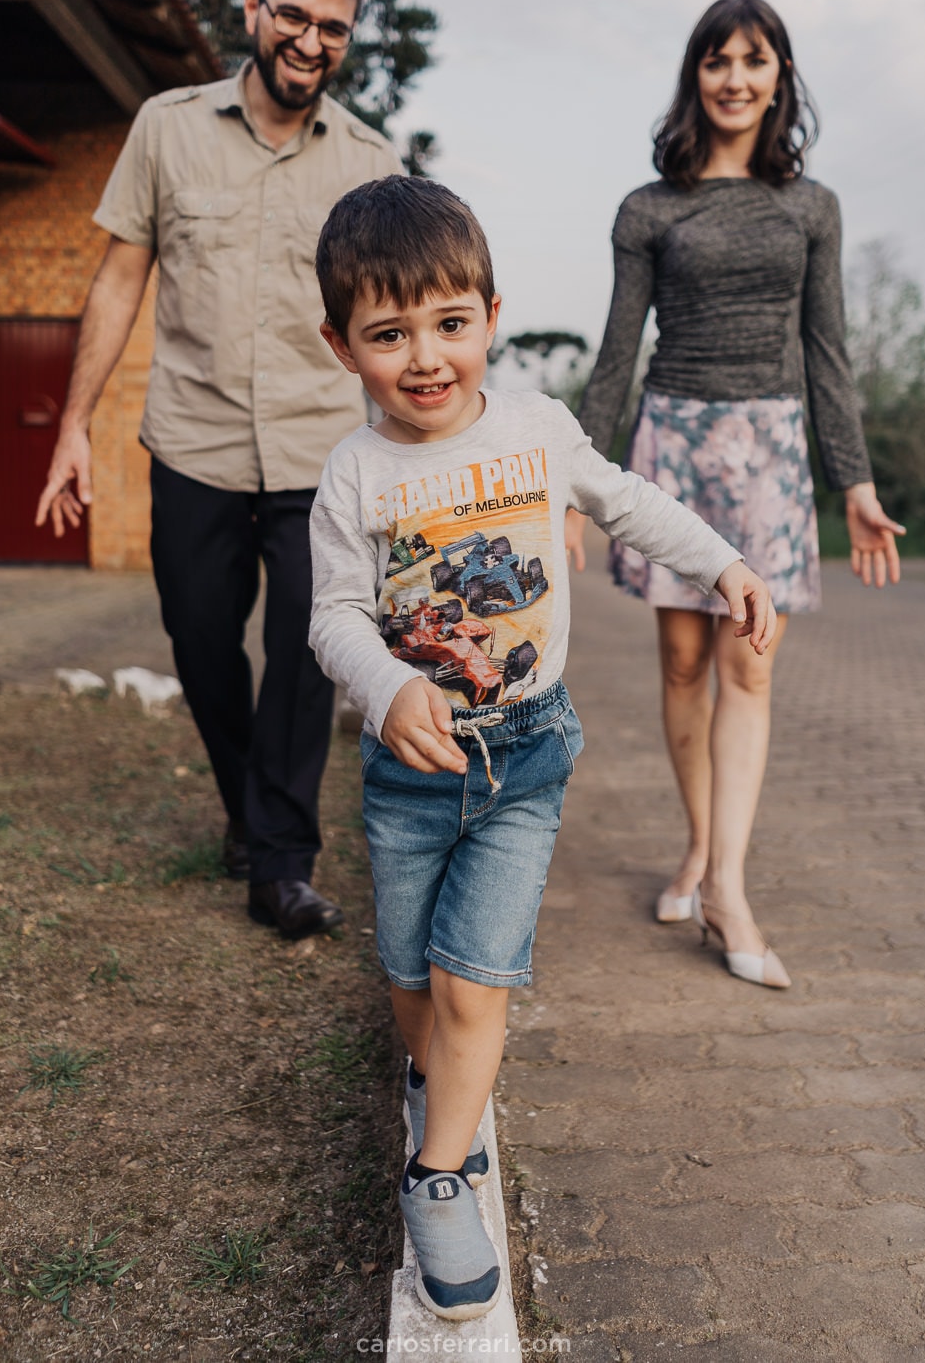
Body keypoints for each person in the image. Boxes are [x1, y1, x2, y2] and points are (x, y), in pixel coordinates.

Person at [307, 174, 776, 1320]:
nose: (425, 358)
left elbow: (629, 504)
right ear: (341, 345)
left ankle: (438, 1176)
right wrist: (384, 683)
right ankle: (436, 1096)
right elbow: (331, 619)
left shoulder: (534, 433)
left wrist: (721, 562)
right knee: (414, 981)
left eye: (449, 325)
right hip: (411, 772)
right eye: (388, 334)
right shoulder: (353, 476)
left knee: (476, 981)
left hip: (523, 758)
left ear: (489, 315)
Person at [34, 0, 403, 940]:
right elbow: (118, 281)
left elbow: (397, 316)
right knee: (198, 639)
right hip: (192, 441)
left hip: (317, 452)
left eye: (333, 27)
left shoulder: (372, 162)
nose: (309, 41)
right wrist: (73, 425)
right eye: (293, 14)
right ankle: (250, 806)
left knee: (303, 652)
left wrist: (417, 453)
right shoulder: (167, 127)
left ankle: (280, 861)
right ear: (251, 8)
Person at [574, 0, 904, 989]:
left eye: (753, 60)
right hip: (671, 442)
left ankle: (727, 885)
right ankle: (699, 847)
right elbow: (616, 355)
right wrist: (575, 485)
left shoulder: (812, 208)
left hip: (768, 450)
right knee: (683, 665)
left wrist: (852, 482)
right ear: (695, 77)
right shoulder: (648, 208)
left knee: (747, 666)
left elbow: (826, 354)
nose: (734, 78)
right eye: (716, 60)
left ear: (779, 77)